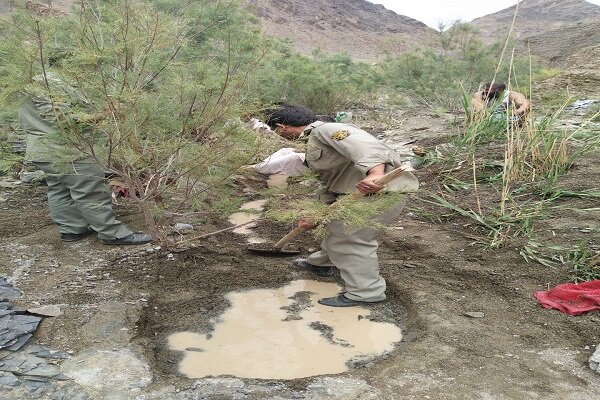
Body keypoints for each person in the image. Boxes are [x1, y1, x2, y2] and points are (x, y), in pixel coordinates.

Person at [264, 104, 419, 307]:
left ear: (281, 127)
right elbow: (329, 182)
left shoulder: (326, 130)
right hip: (355, 195)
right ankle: (322, 264)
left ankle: (366, 292)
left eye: (278, 132)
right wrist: (318, 215)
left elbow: (366, 146)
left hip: (378, 194)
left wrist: (374, 174)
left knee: (348, 238)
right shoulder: (314, 140)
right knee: (332, 229)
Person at [19, 72, 152, 245]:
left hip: (42, 149)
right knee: (90, 190)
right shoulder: (49, 82)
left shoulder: (28, 81)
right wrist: (107, 114)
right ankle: (113, 233)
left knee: (59, 188)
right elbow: (64, 121)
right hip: (65, 150)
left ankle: (73, 229)